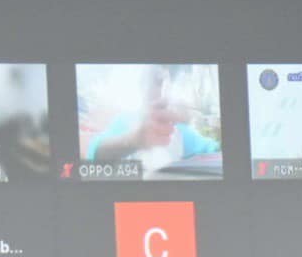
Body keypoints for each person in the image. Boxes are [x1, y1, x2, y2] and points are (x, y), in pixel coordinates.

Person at [85, 66, 220, 176]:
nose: (163, 89)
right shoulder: (125, 120)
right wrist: (134, 140)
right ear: (142, 85)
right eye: (157, 80)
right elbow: (94, 154)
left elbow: (214, 151)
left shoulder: (178, 128)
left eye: (169, 82)